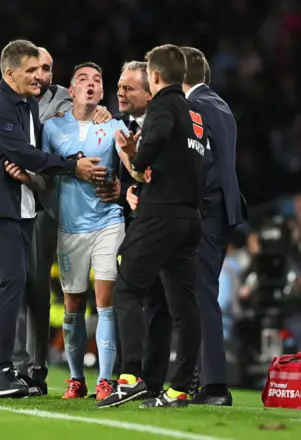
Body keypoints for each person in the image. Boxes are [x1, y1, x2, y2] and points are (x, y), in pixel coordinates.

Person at [0, 40, 103, 399]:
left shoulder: (26, 103)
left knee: (3, 289)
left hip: (20, 204)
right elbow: (23, 152)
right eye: (29, 71)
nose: (37, 77)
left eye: (39, 70)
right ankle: (1, 374)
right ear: (9, 73)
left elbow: (38, 151)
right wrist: (74, 167)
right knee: (10, 283)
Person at [96, 44, 207, 409]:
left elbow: (151, 147)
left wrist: (135, 158)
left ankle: (129, 376)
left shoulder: (162, 106)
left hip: (161, 214)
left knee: (126, 286)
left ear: (155, 77)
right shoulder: (195, 115)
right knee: (184, 307)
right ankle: (178, 390)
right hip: (190, 218)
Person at [12, 47, 112, 394]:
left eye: (48, 68)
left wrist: (101, 110)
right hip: (28, 203)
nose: (41, 74)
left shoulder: (61, 99)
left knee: (80, 295)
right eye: (36, 67)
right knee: (32, 290)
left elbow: (87, 112)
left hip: (61, 208)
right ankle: (28, 369)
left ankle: (91, 374)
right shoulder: (12, 99)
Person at [39, 62, 126, 401]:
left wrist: (122, 185)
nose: (90, 84)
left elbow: (132, 167)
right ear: (70, 91)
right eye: (82, 80)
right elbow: (43, 171)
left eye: (97, 81)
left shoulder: (115, 126)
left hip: (108, 221)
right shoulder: (51, 130)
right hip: (70, 227)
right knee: (73, 305)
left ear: (102, 93)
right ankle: (77, 379)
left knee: (105, 301)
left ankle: (106, 379)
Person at [101, 61, 172, 399]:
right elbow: (126, 174)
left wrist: (139, 183)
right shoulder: (117, 125)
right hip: (133, 222)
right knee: (137, 297)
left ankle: (146, 379)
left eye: (128, 88)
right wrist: (123, 188)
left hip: (161, 220)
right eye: (119, 86)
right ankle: (129, 374)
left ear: (149, 92)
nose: (120, 93)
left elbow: (155, 171)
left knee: (158, 301)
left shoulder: (163, 123)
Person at [180, 46, 246, 405]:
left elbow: (200, 162)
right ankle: (201, 377)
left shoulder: (196, 107)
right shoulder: (219, 104)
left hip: (207, 210)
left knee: (201, 293)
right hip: (224, 209)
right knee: (198, 291)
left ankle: (215, 385)